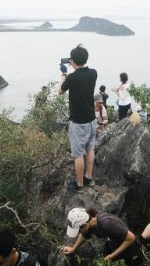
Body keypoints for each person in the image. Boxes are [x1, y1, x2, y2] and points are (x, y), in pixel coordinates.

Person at [58, 45, 98, 192]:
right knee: (90, 148)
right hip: (92, 119)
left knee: (77, 155)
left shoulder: (72, 77)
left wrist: (63, 74)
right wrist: (75, 64)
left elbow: (60, 91)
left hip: (78, 122)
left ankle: (80, 184)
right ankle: (89, 177)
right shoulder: (93, 73)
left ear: (72, 60)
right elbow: (82, 72)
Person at [62, 207, 142, 265]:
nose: (79, 233)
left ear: (85, 225)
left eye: (78, 230)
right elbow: (84, 235)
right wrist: (73, 249)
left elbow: (131, 238)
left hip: (130, 248)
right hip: (113, 243)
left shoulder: (107, 224)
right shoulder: (89, 223)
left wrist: (112, 256)